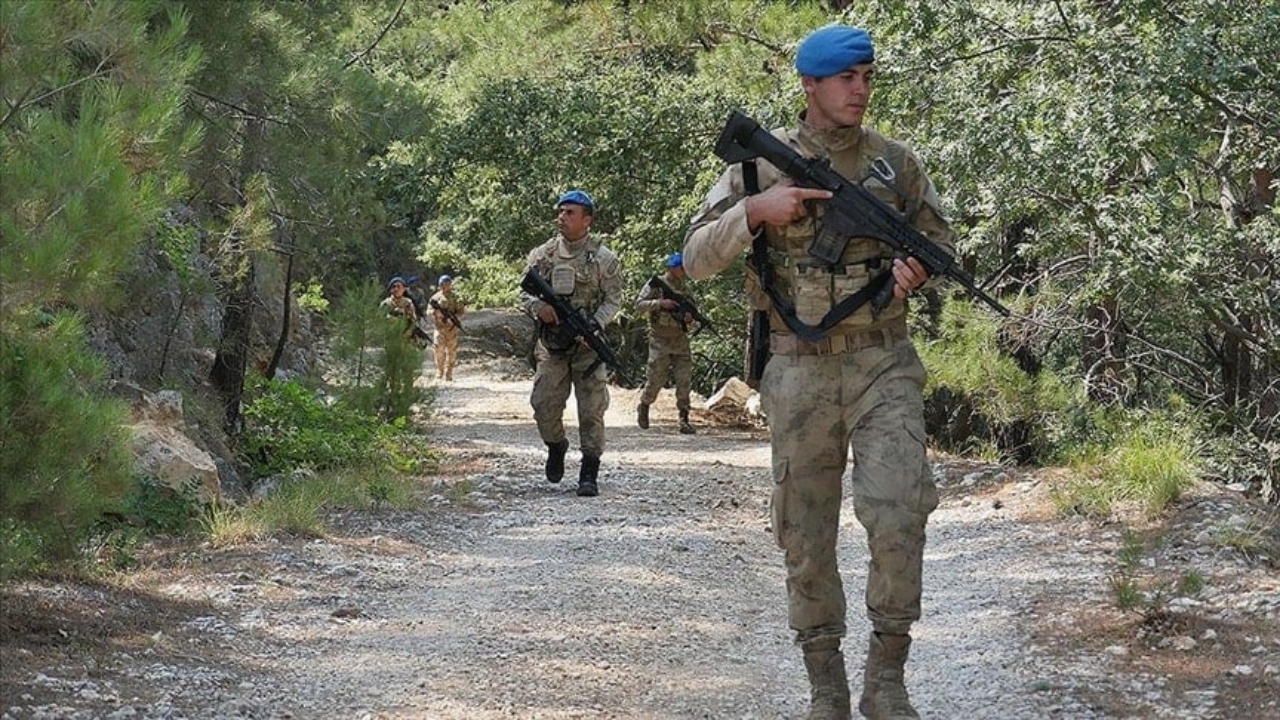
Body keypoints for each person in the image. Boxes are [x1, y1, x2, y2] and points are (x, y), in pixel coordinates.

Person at [682, 25, 954, 720]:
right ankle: (826, 687)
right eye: (845, 78)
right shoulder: (756, 169)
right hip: (797, 371)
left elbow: (938, 243)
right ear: (810, 84)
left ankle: (886, 679)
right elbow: (695, 257)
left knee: (899, 512)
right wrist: (754, 213)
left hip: (884, 362)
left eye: (867, 76)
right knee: (805, 534)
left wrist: (915, 272)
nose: (860, 90)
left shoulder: (897, 163)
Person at [519, 189, 622, 498]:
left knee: (592, 409)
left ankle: (589, 471)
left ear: (586, 220)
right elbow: (523, 292)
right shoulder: (543, 255)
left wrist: (594, 325)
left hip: (587, 347)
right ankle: (556, 445)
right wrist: (539, 308)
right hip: (552, 344)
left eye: (570, 212)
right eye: (561, 211)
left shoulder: (604, 259)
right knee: (543, 404)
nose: (562, 217)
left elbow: (613, 300)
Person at [634, 252, 697, 435]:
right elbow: (639, 305)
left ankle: (684, 419)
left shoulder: (685, 289)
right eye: (681, 267)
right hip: (659, 339)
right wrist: (660, 303)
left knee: (684, 380)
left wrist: (689, 318)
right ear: (672, 268)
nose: (684, 271)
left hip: (680, 339)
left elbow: (693, 316)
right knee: (656, 379)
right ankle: (645, 404)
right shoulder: (656, 284)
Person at [429, 274, 466, 381]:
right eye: (442, 284)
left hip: (451, 329)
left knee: (452, 351)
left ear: (450, 284)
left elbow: (461, 312)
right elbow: (428, 311)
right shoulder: (435, 298)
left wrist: (453, 319)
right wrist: (435, 313)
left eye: (446, 283)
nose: (444, 286)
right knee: (438, 349)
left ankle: (449, 373)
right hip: (439, 328)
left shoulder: (456, 298)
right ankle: (439, 371)